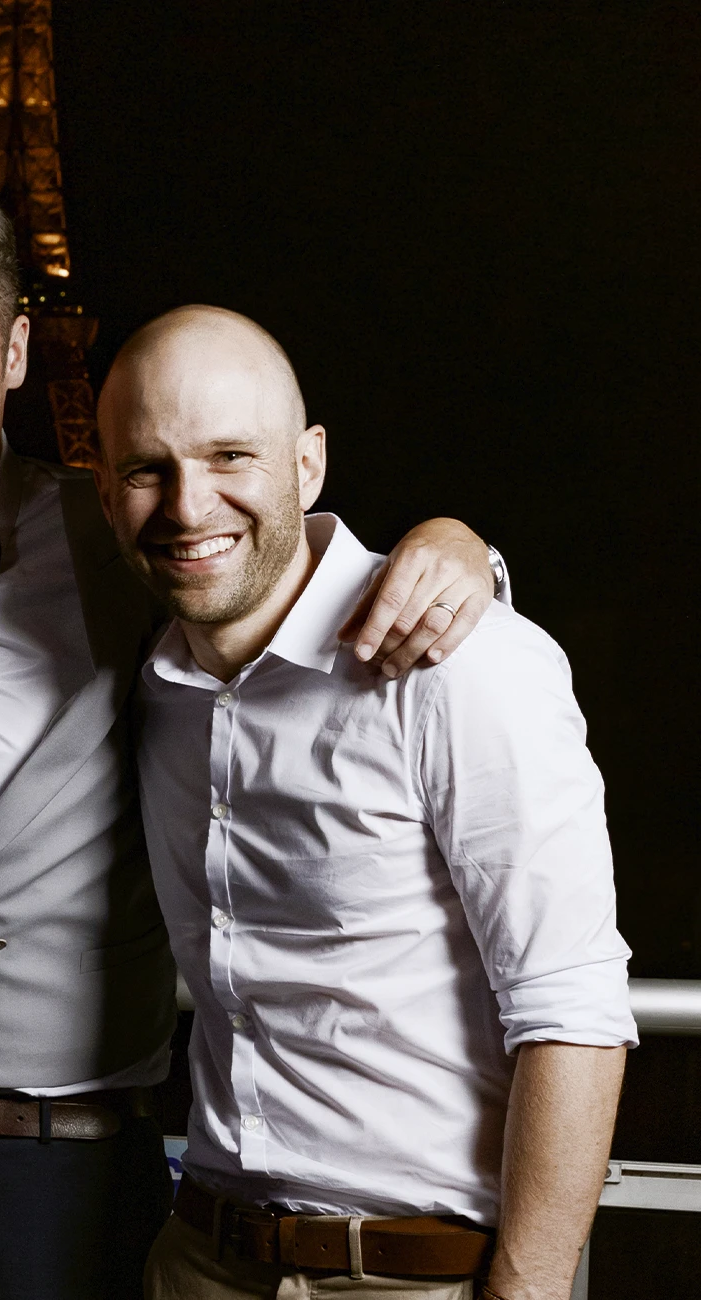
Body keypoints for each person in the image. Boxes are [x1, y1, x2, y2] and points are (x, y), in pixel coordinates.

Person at [0, 163, 505, 1300]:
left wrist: (462, 552)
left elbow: (306, 596)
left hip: (75, 1186)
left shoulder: (138, 532)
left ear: (16, 354)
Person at [93, 305, 634, 1300]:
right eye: (146, 468)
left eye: (229, 456)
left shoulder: (459, 660)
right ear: (105, 485)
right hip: (198, 1258)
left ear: (309, 464)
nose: (187, 503)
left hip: (412, 1277)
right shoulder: (152, 688)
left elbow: (572, 1006)